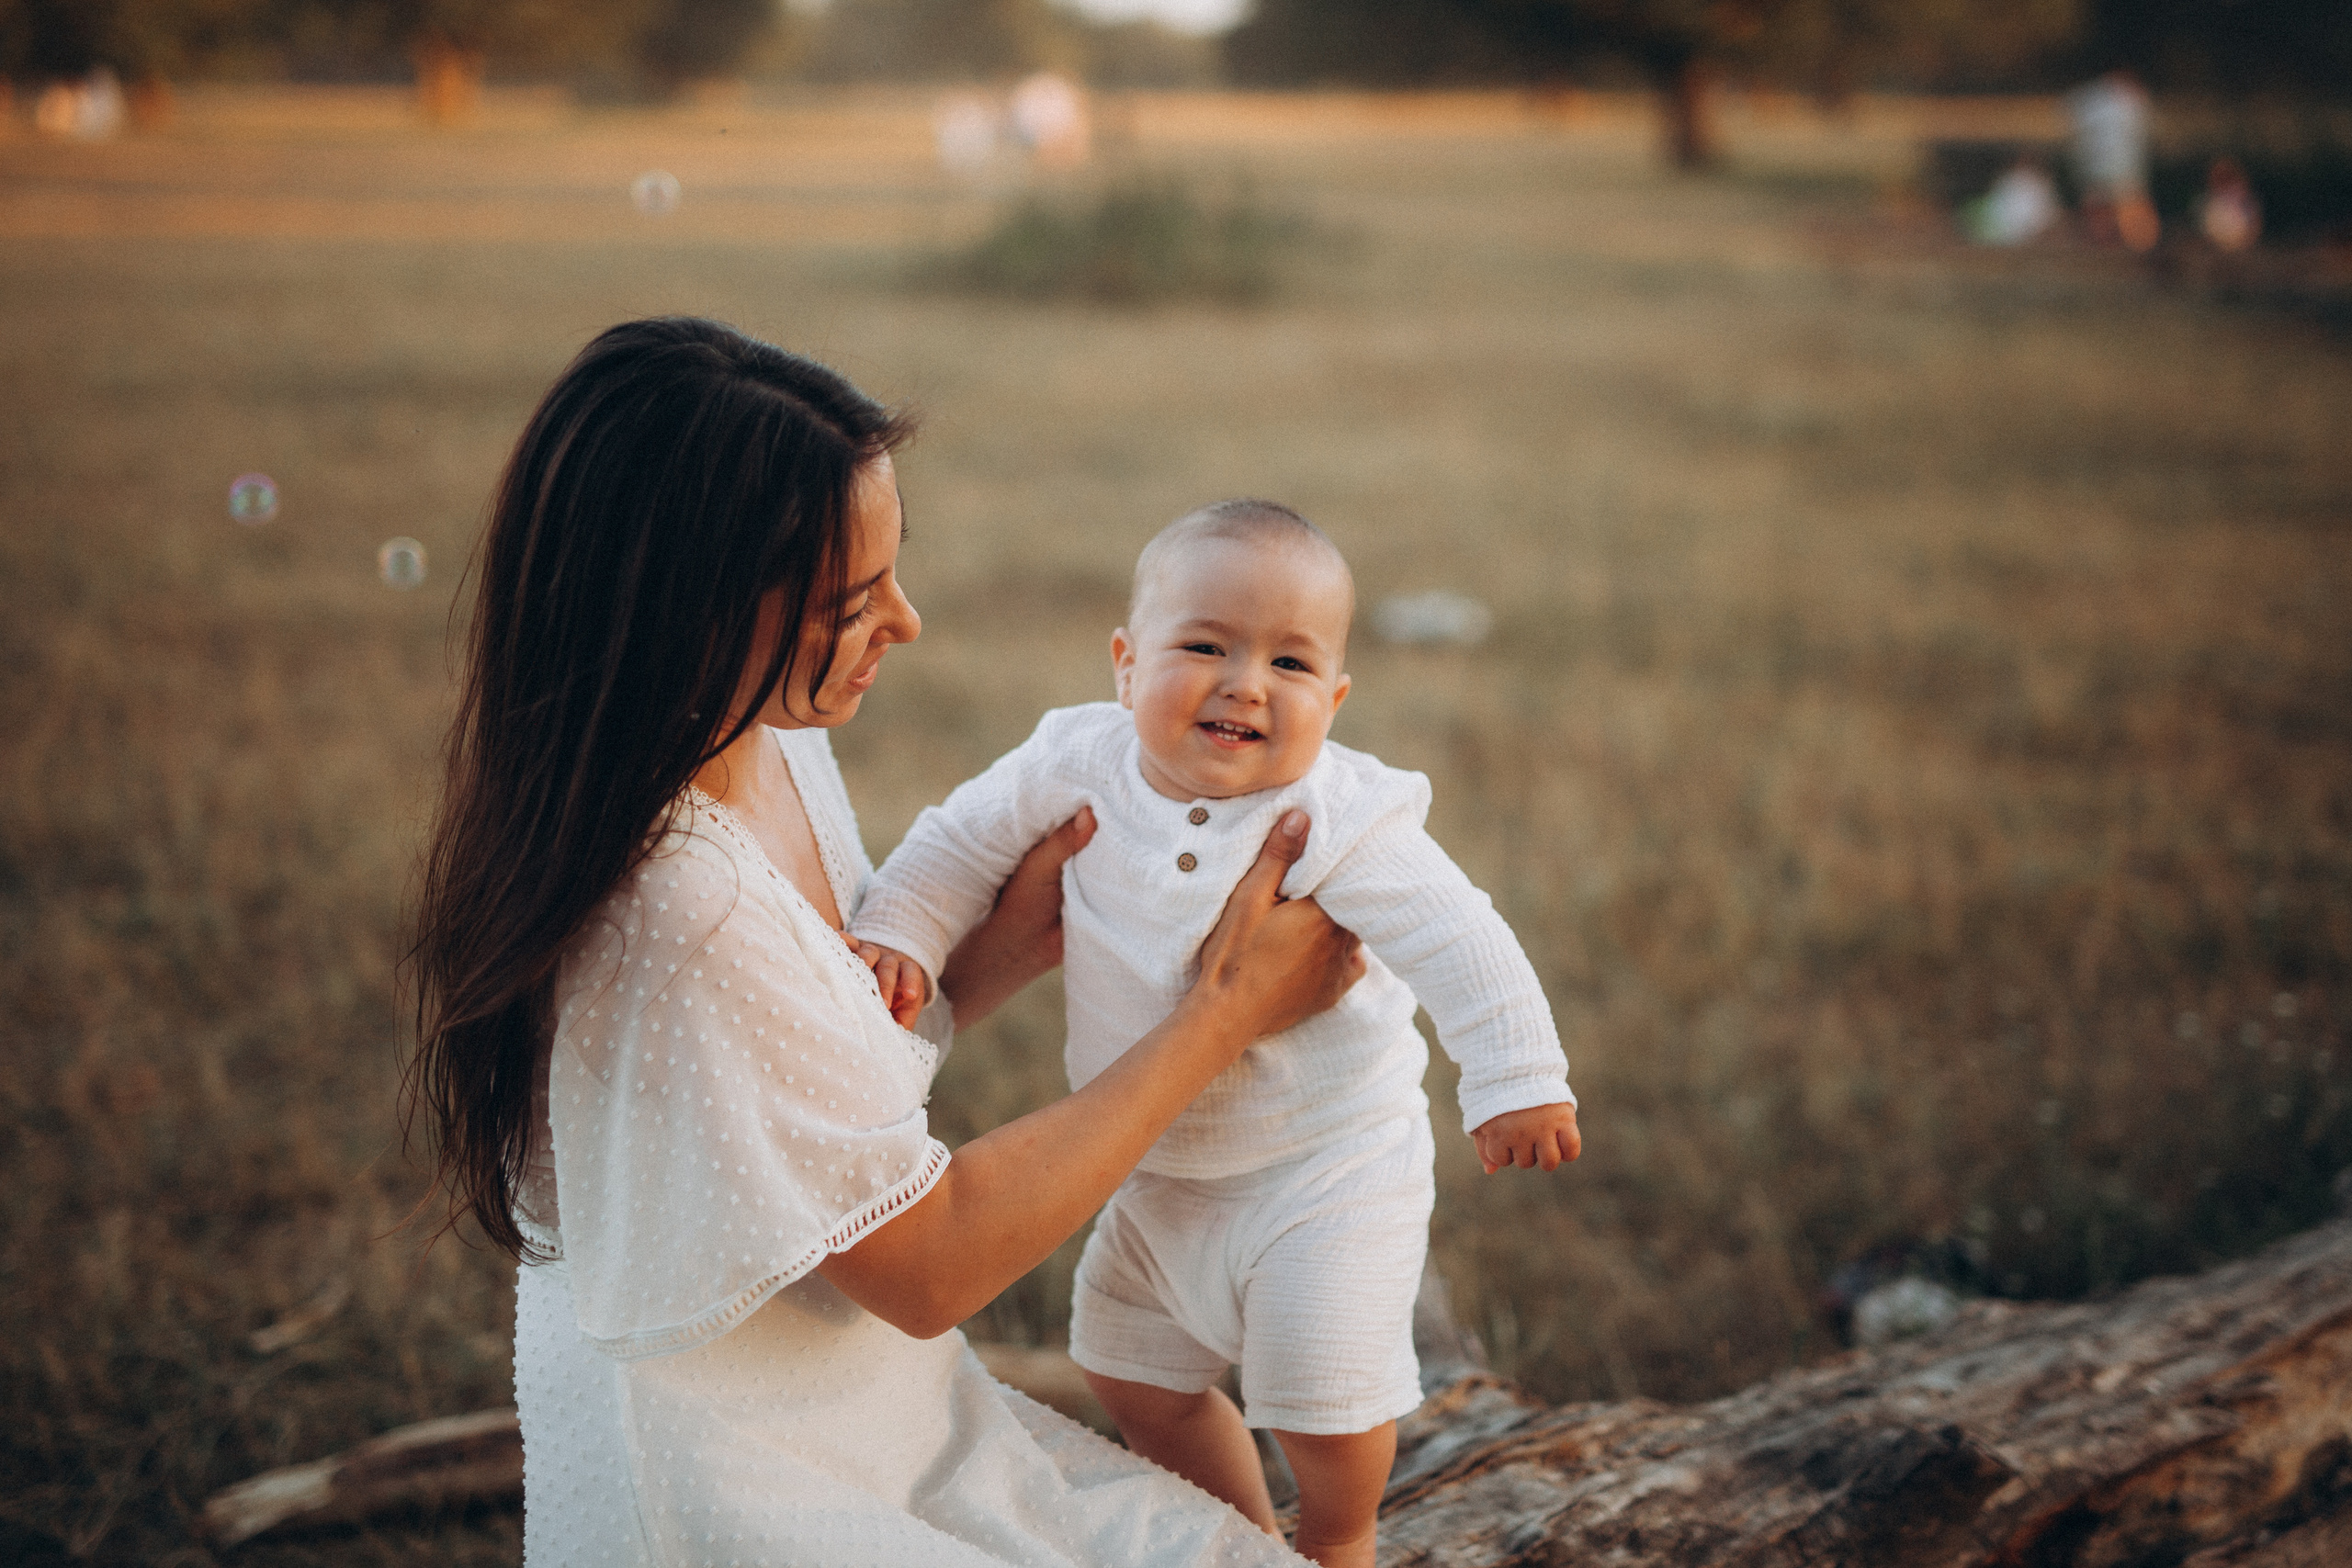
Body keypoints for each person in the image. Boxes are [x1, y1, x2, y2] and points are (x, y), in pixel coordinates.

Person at [405, 318, 1366, 1567]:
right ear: (686, 608)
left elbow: (794, 1081)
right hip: (744, 1480)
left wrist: (986, 960)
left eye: (891, 575)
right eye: (851, 602)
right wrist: (1224, 1014)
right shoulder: (673, 902)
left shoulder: (764, 746)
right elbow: (926, 1260)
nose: (905, 623)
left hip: (879, 1413)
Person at [849, 501, 1581, 1568]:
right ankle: (1243, 1542)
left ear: (1332, 699)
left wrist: (1517, 1075)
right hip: (1152, 1164)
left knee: (1321, 1403)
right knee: (1128, 1373)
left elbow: (1454, 933)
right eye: (1204, 646)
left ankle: (1337, 1540)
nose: (1246, 682)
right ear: (1123, 661)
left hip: (1325, 1164)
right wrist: (902, 930)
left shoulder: (1340, 813)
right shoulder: (1076, 757)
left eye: (1290, 664)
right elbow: (958, 841)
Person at [2066, 69, 2158, 253]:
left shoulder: (2089, 98)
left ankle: (2139, 247)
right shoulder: (2130, 98)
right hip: (2115, 165)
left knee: (2120, 206)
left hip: (2109, 165)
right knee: (2114, 206)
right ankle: (2136, 247)